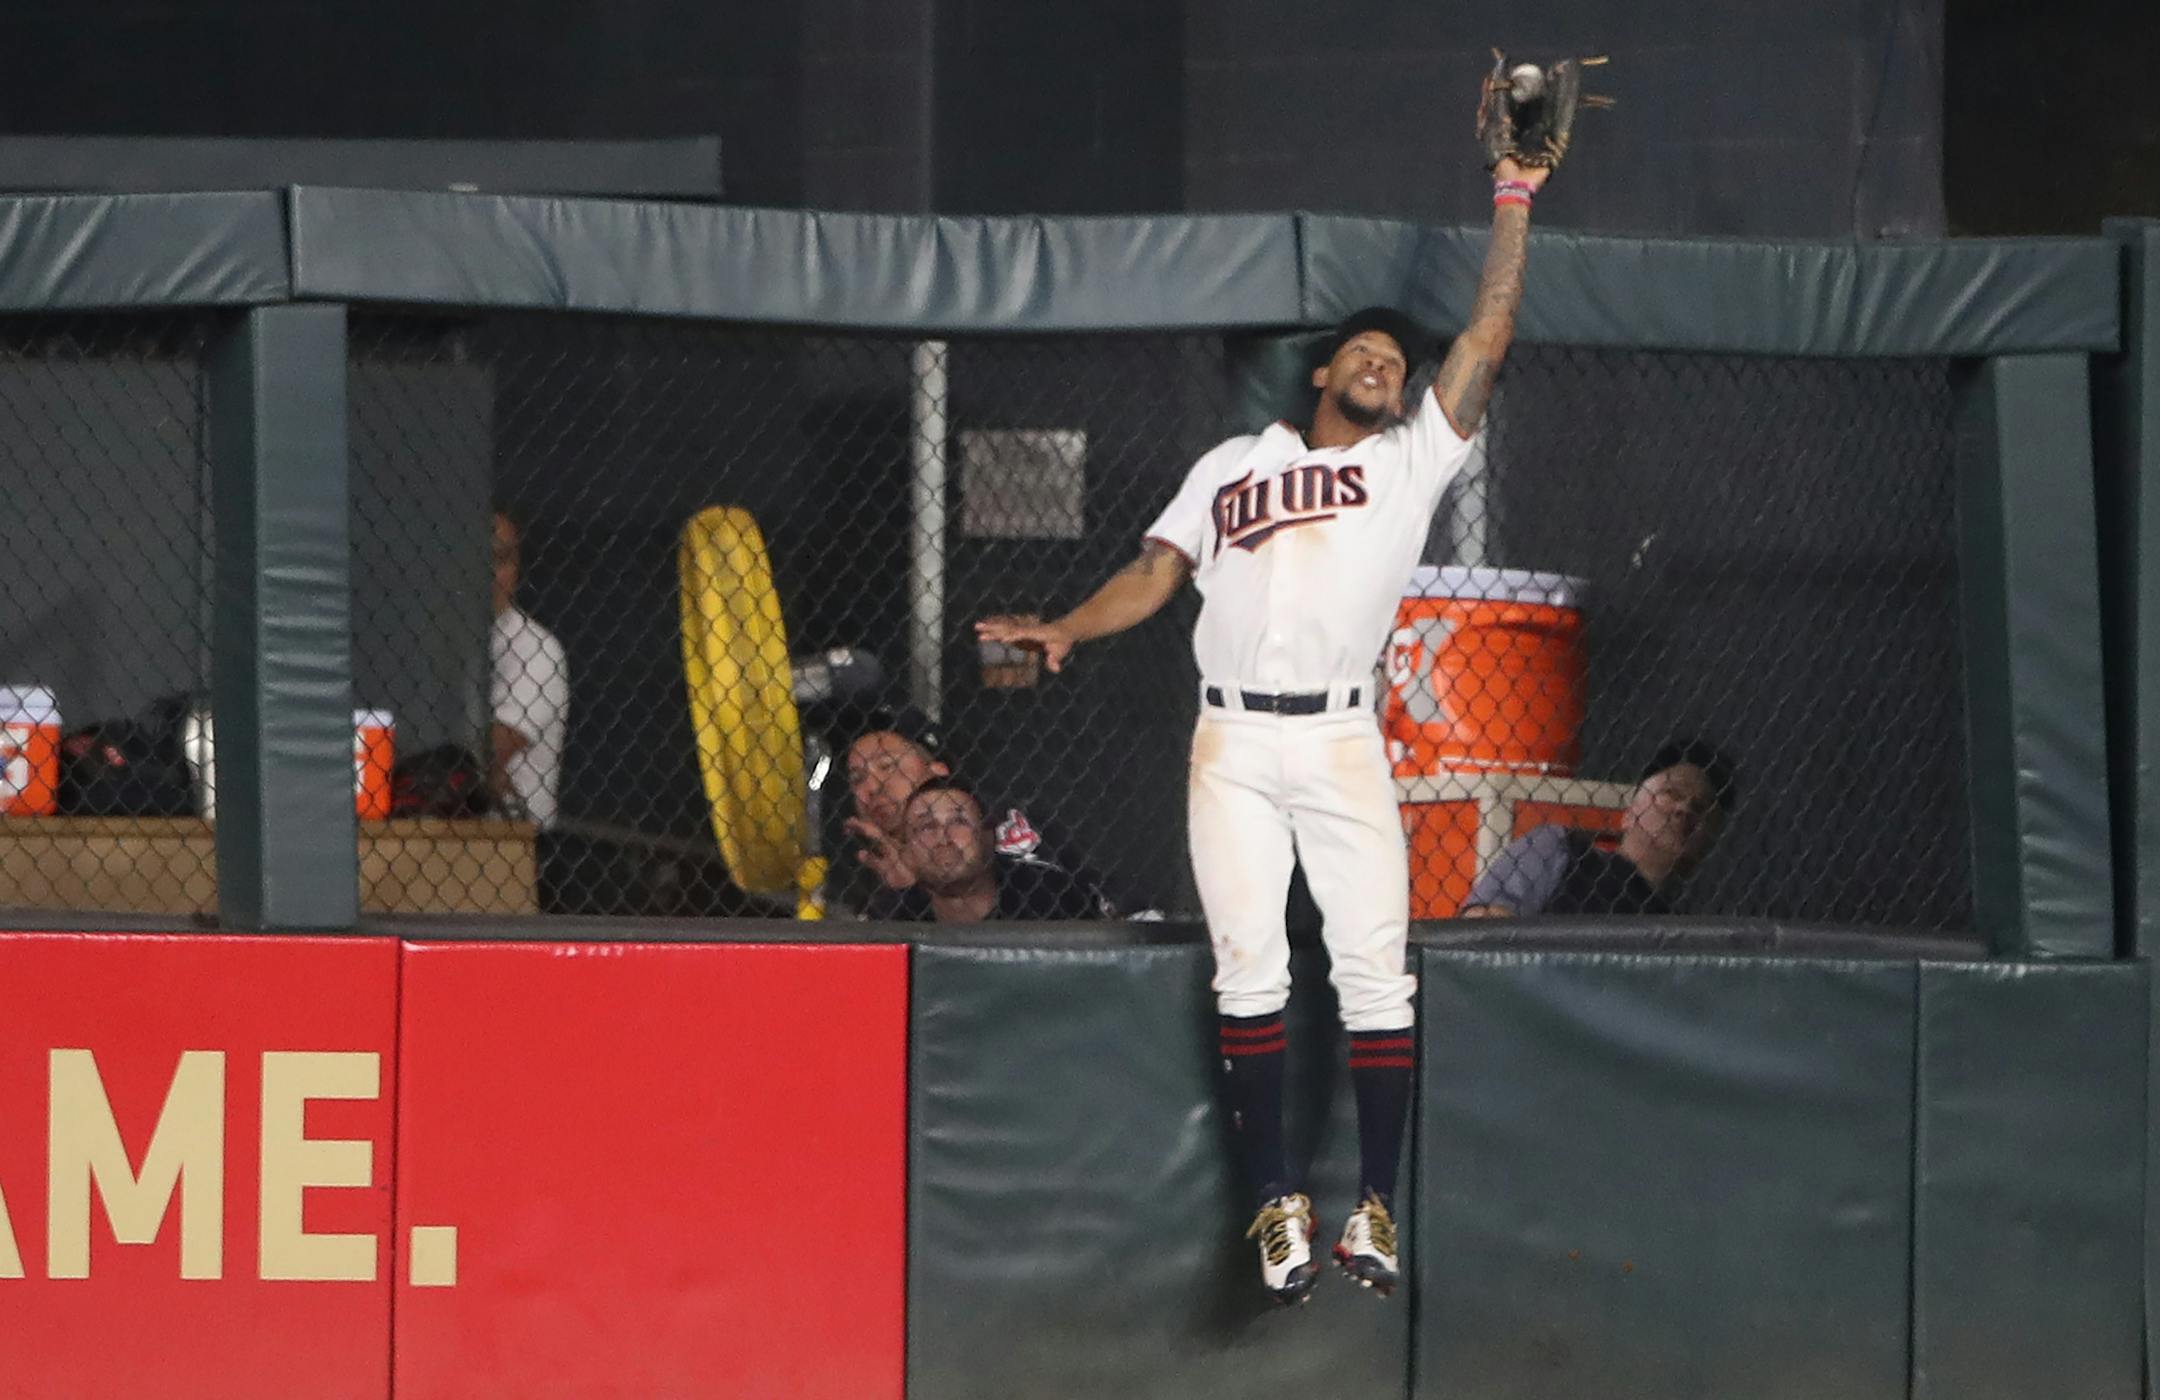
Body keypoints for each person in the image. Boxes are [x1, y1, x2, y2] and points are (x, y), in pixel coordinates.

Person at [977, 146, 1558, 1302]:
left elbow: (1486, 336)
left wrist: (1511, 193)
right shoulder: (1234, 464)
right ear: (1324, 373)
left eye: (1397, 357)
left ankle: (1376, 1210)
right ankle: (1276, 1203)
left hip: (1344, 740)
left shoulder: (1407, 464)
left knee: (1375, 975)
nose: (1386, 362)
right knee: (1250, 969)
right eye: (1367, 349)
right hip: (1232, 744)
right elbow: (1154, 574)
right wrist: (1065, 628)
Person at [837, 710, 1081, 915]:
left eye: (887, 766)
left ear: (938, 771)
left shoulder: (995, 822)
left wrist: (916, 889)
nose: (871, 787)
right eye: (857, 779)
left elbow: (1051, 904)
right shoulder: (863, 860)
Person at [1460, 740, 1737, 918]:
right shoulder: (1558, 849)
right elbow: (1482, 924)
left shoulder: (1683, 932)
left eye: (1700, 808)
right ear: (1629, 812)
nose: (1684, 809)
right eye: (1672, 793)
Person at [862, 777, 1109, 922]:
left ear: (989, 837)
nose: (943, 838)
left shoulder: (1049, 893)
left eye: (958, 822)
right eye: (926, 827)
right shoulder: (893, 915)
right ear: (907, 849)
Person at [490, 509, 569, 827]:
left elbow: (488, 753)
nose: (490, 574)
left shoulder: (535, 649)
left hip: (517, 844)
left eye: (500, 560)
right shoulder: (437, 640)